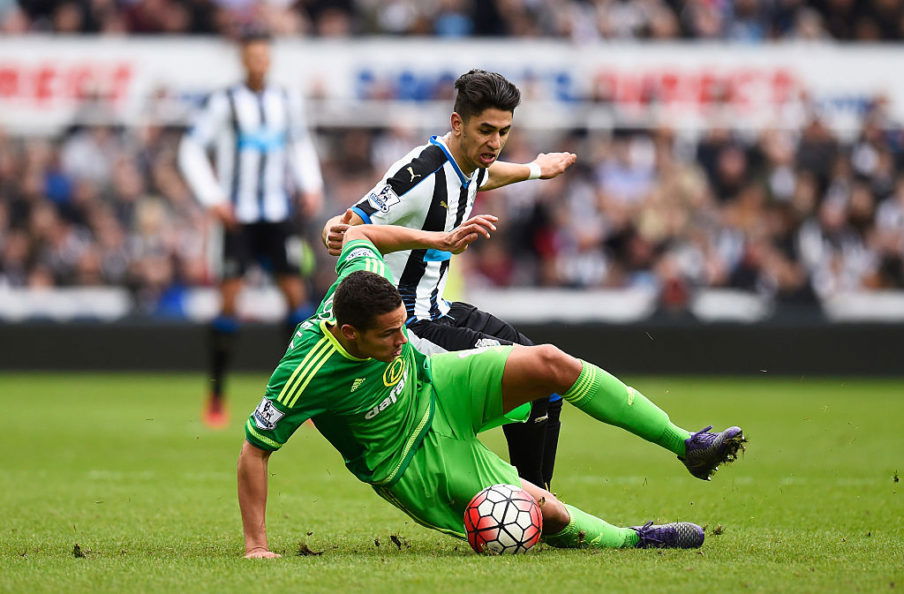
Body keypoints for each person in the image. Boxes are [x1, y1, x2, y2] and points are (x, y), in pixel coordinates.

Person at [237, 219, 746, 558]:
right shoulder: (305, 370)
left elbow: (358, 236)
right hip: (412, 459)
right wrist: (256, 545)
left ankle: (688, 445)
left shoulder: (363, 282)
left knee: (549, 361)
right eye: (388, 333)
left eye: (401, 326)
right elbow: (254, 452)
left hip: (437, 385)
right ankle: (635, 540)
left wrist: (435, 241)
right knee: (547, 513)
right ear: (349, 334)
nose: (400, 337)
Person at [320, 69, 576, 490]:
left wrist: (534, 170)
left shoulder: (471, 160)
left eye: (504, 132)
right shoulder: (417, 173)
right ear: (457, 124)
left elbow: (483, 176)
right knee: (533, 379)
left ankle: (537, 502)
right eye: (486, 130)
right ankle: (537, 508)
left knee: (549, 377)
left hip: (442, 310)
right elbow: (349, 230)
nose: (495, 143)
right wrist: (334, 225)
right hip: (411, 326)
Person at [179, 29, 324, 428]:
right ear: (243, 60)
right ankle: (216, 395)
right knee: (229, 303)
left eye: (264, 56)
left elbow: (299, 144)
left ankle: (300, 397)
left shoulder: (286, 100)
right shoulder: (224, 101)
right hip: (237, 217)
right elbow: (190, 149)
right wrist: (213, 199)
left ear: (269, 59)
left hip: (277, 216)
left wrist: (311, 186)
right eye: (252, 56)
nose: (259, 62)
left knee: (297, 300)